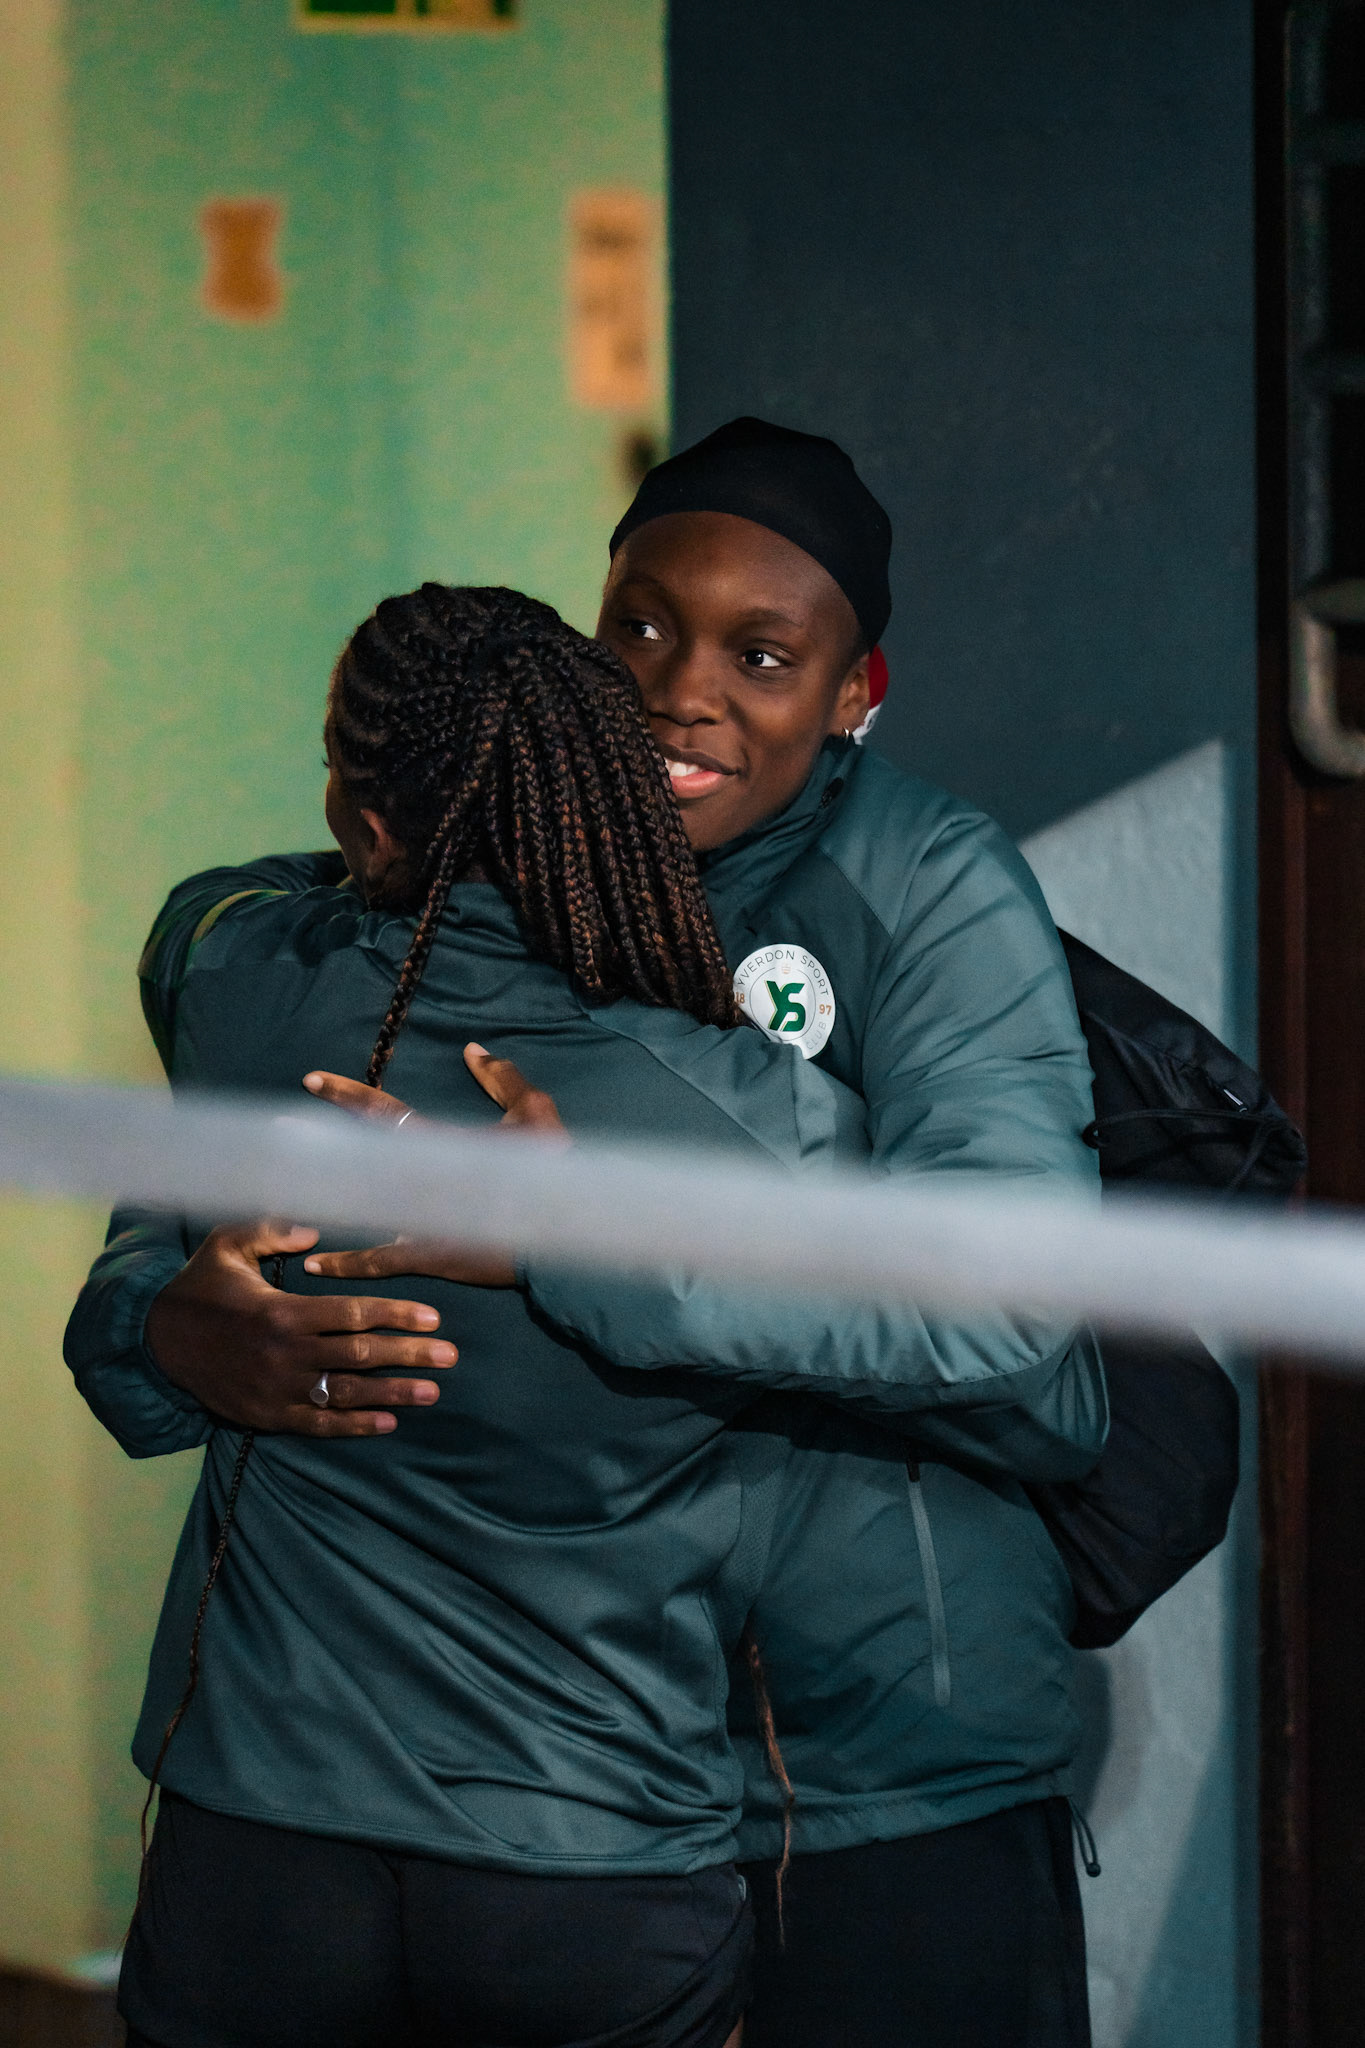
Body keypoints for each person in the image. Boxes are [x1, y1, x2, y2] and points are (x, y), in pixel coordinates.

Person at [68, 421, 1105, 2046]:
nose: (677, 690)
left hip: (864, 1766)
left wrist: (590, 1246)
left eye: (759, 655)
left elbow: (1030, 1339)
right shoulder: (370, 922)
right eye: (638, 627)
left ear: (854, 693)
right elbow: (221, 1111)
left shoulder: (920, 887)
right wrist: (159, 1329)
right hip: (530, 1795)